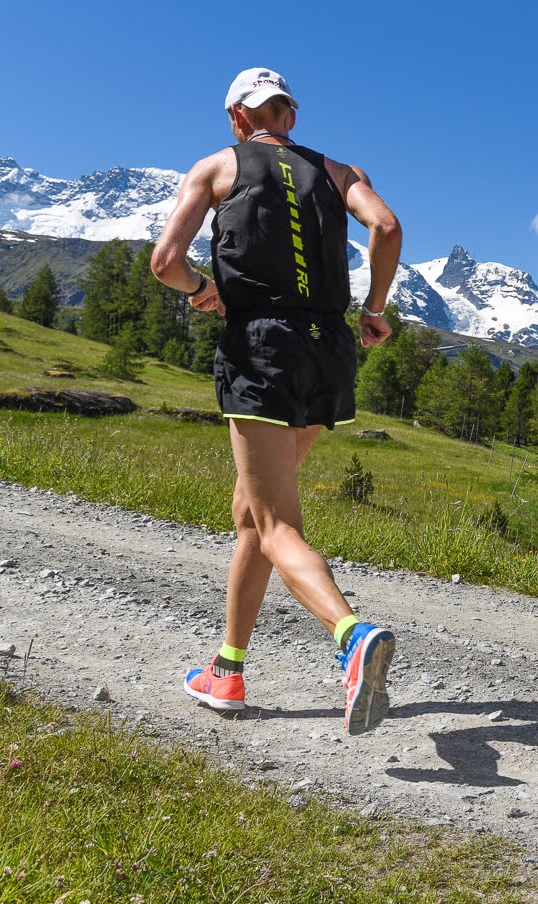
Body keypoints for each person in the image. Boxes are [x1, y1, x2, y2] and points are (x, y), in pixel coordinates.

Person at [151, 67, 403, 735]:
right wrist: (374, 309)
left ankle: (352, 636)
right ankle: (227, 670)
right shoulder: (340, 171)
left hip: (260, 346)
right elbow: (387, 226)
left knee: (276, 525)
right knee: (251, 514)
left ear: (237, 117)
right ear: (287, 116)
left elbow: (164, 263)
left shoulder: (216, 167)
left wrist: (202, 287)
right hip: (328, 351)